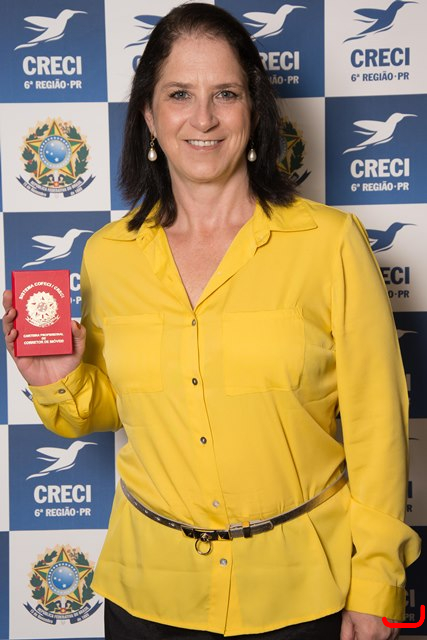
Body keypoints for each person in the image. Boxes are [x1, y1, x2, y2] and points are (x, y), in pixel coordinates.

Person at [2, 4, 421, 639]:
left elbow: (378, 426)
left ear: (253, 110)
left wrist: (376, 585)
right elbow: (116, 408)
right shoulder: (107, 255)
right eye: (179, 94)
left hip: (304, 594)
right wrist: (58, 378)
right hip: (148, 595)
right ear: (149, 116)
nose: (203, 118)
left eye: (225, 93)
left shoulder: (330, 242)